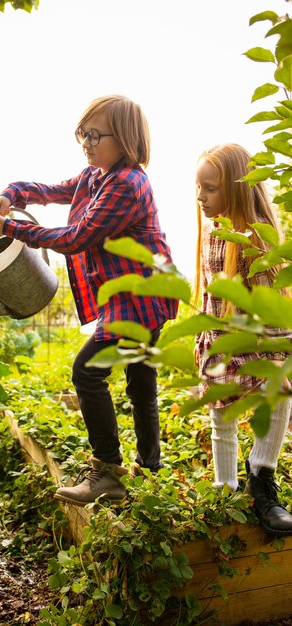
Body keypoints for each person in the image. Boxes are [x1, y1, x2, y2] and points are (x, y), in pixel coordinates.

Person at [0, 95, 178, 506]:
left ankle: (108, 472)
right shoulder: (94, 176)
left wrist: (16, 230)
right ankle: (151, 469)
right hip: (127, 296)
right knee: (141, 383)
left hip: (141, 299)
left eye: (95, 135)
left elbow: (78, 237)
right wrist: (12, 193)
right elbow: (53, 191)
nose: (86, 143)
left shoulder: (128, 184)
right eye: (81, 134)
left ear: (125, 138)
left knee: (87, 373)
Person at [195, 142, 292, 537]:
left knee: (280, 393)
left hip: (259, 342)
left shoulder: (256, 240)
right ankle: (226, 489)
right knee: (222, 415)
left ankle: (261, 480)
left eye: (210, 188)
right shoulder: (212, 230)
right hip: (220, 340)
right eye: (198, 187)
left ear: (237, 188)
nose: (200, 196)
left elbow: (270, 305)